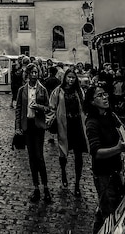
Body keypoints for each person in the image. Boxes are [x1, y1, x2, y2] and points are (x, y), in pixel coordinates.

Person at [84, 84, 125, 233]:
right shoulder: (92, 122)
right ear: (92, 101)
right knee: (109, 212)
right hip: (103, 174)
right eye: (100, 95)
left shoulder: (111, 115)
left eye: (105, 94)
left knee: (107, 208)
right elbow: (96, 152)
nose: (105, 97)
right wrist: (118, 149)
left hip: (116, 170)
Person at [15, 62, 52, 204]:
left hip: (38, 126)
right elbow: (18, 109)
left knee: (39, 156)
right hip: (27, 125)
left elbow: (49, 108)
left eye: (36, 72)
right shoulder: (22, 90)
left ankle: (46, 187)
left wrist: (39, 107)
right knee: (31, 157)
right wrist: (17, 127)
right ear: (28, 74)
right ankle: (36, 187)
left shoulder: (42, 90)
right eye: (32, 72)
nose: (34, 75)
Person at [49, 68, 88, 196]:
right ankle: (63, 172)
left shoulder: (79, 91)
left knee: (78, 155)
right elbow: (52, 107)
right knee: (63, 153)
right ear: (65, 77)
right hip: (64, 126)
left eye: (73, 78)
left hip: (77, 125)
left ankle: (77, 184)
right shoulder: (58, 91)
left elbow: (84, 107)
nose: (71, 80)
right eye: (69, 77)